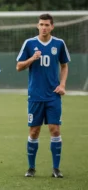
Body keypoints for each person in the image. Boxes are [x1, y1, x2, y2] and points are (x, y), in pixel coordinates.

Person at [16, 13, 70, 178]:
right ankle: (31, 168)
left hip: (53, 95)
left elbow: (64, 65)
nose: (44, 27)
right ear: (37, 26)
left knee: (55, 130)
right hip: (35, 96)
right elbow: (19, 66)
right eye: (41, 24)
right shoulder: (30, 43)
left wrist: (62, 85)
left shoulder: (59, 44)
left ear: (52, 26)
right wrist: (32, 58)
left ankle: (56, 169)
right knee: (34, 132)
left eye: (47, 24)